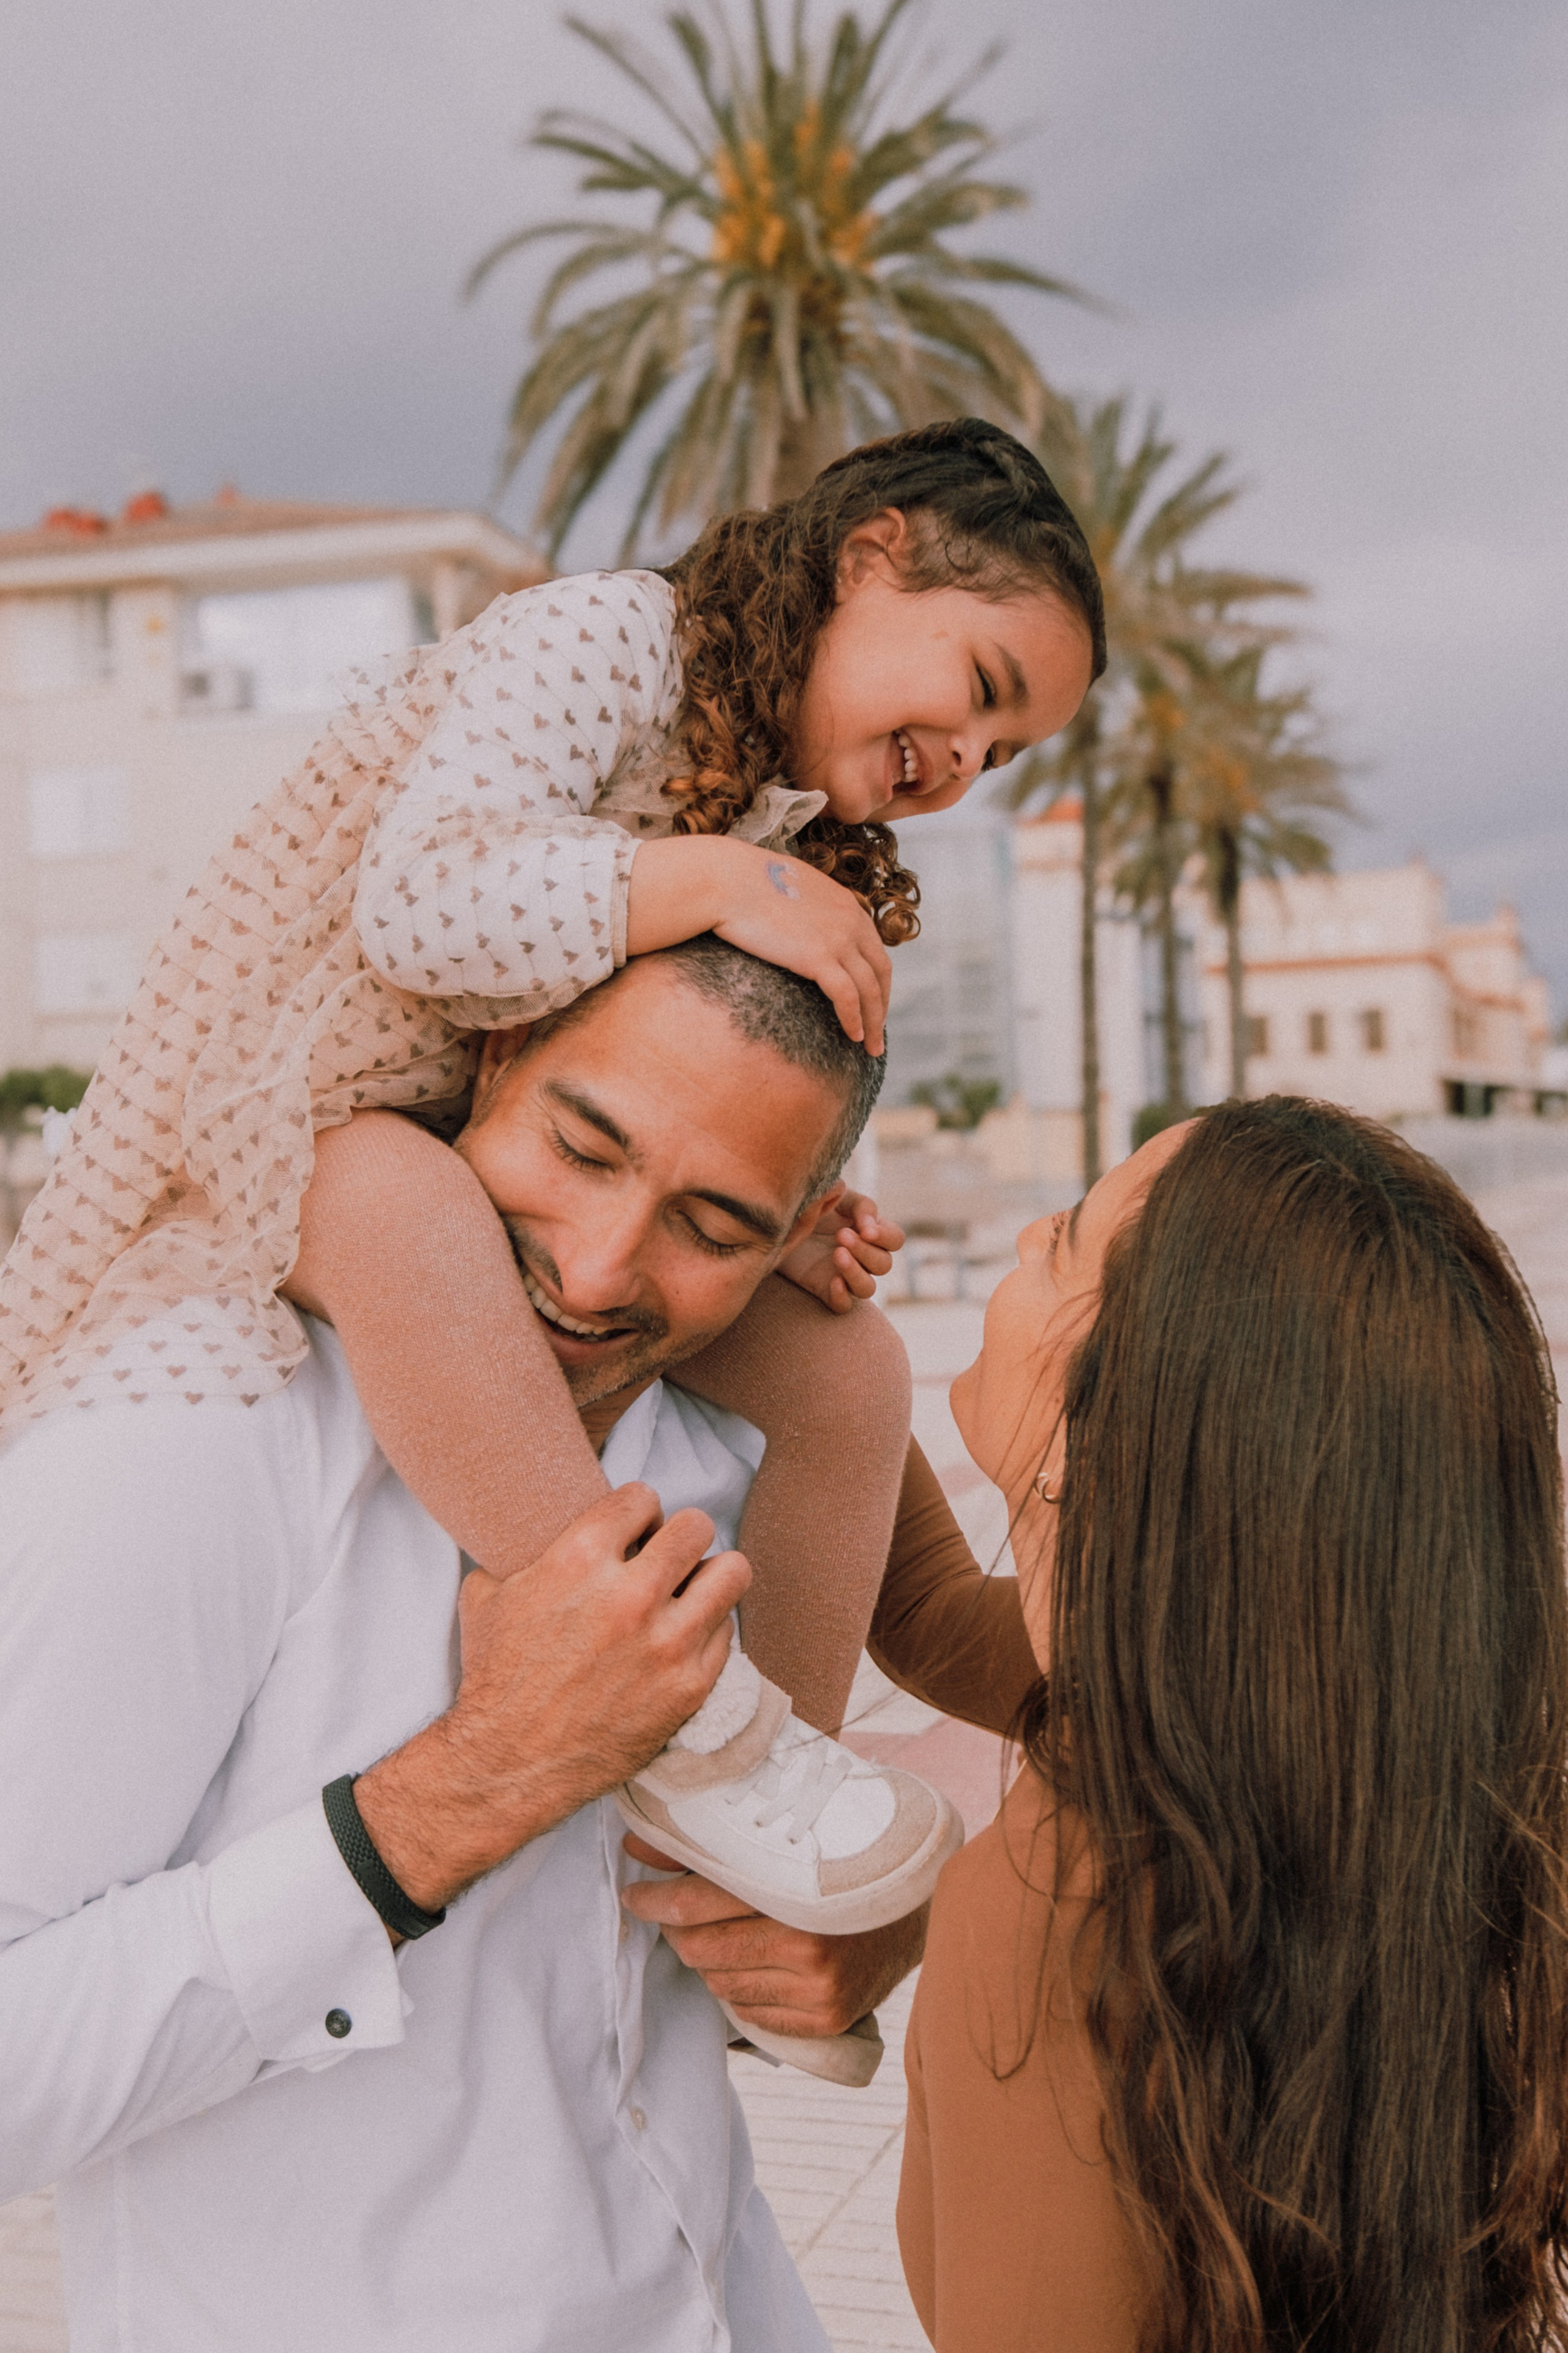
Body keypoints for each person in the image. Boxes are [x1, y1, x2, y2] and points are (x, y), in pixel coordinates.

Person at [0, 417, 1101, 1941]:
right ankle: (696, 1720)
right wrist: (715, 880)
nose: (967, 761)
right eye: (980, 688)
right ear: (870, 557)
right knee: (398, 1206)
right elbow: (421, 906)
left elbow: (663, 1066)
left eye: (1005, 752)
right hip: (284, 1119)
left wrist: (768, 1218)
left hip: (471, 1142)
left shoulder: (775, 807)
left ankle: (751, 1853)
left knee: (847, 1370)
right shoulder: (611, 640)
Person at [0, 935, 1035, 2353]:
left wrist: (851, 1936)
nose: (599, 1269)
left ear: (805, 1230)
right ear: (495, 1058)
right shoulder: (194, 1433)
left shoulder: (733, 1450)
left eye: (713, 1227)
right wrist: (467, 1789)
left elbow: (724, 1914)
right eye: (581, 1148)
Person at [891, 1097, 1568, 2353]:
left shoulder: (1052, 1915)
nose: (1026, 1235)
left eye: (1062, 1238)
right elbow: (925, 1608)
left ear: (1100, 1420)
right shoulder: (1299, 1728)